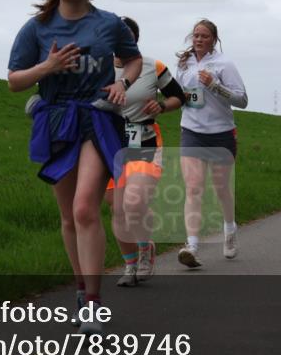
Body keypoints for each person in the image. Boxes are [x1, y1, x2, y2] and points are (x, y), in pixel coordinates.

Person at [8, 0, 141, 334]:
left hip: (97, 117)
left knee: (85, 208)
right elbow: (14, 80)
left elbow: (132, 59)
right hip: (56, 121)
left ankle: (94, 305)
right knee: (68, 216)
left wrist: (122, 82)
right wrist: (47, 67)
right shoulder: (36, 28)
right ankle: (82, 290)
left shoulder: (108, 23)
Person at [102, 17, 186, 287]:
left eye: (126, 36)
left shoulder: (152, 66)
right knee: (117, 208)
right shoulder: (100, 67)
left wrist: (162, 106)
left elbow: (179, 96)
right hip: (109, 143)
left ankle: (145, 248)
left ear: (134, 40)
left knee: (134, 202)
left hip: (145, 141)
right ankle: (130, 265)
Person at [175, 20, 248, 267]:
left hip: (220, 134)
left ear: (214, 40)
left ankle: (230, 229)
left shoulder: (224, 64)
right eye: (196, 35)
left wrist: (215, 86)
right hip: (191, 131)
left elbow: (242, 100)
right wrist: (180, 97)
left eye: (204, 36)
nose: (198, 39)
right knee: (193, 188)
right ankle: (192, 246)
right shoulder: (184, 63)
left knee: (221, 189)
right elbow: (180, 95)